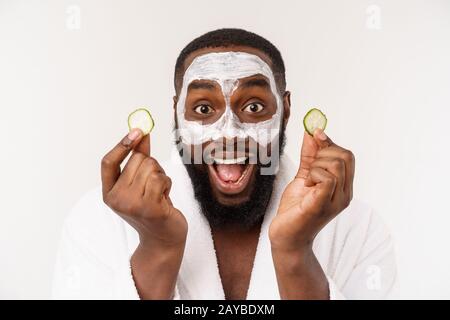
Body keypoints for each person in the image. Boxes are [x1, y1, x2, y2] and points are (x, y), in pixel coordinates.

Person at [52, 28, 396, 300]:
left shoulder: (356, 226)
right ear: (176, 112)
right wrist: (158, 248)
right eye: (203, 109)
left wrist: (295, 253)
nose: (229, 133)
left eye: (254, 107)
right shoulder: (95, 222)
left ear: (286, 110)